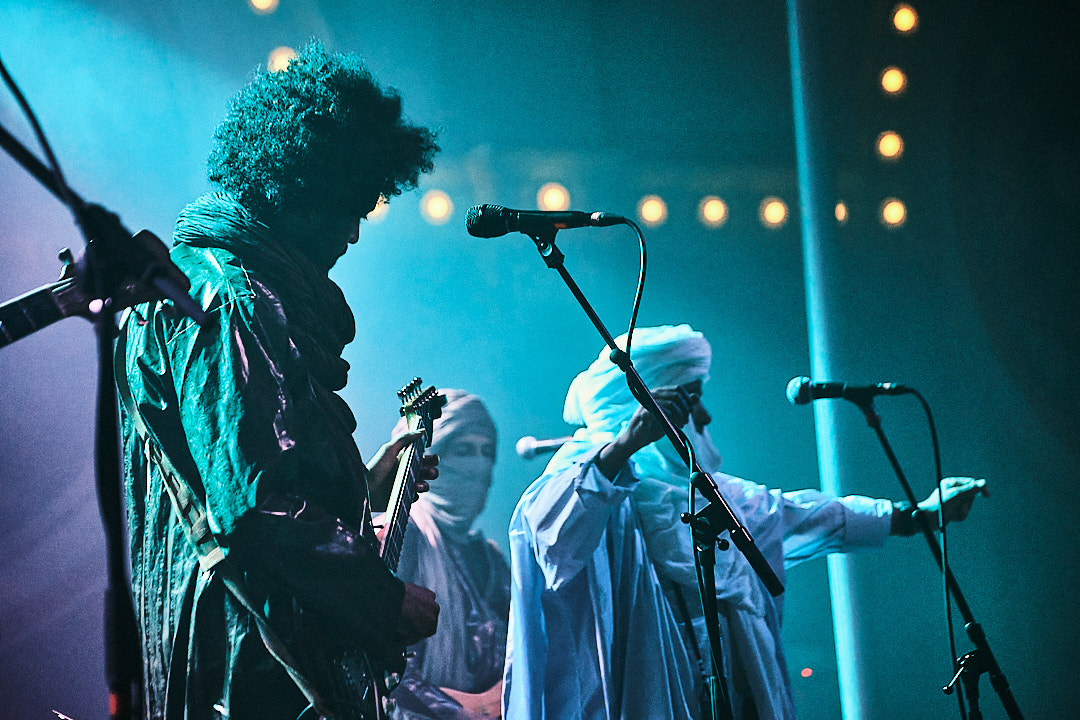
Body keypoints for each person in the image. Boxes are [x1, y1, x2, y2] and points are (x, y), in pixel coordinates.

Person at [116, 42, 441, 720]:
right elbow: (256, 507)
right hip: (255, 672)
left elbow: (238, 468)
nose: (354, 232)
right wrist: (381, 600)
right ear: (289, 186)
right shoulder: (232, 299)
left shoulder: (191, 285)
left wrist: (365, 479)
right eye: (344, 205)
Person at [502, 324, 988, 720]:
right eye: (691, 398)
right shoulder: (583, 479)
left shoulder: (716, 496)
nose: (705, 414)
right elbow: (551, 537)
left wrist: (917, 515)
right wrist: (625, 446)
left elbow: (809, 516)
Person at [384, 390, 511, 720]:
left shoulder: (490, 560)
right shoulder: (401, 533)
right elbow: (378, 669)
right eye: (464, 450)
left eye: (488, 453)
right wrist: (467, 710)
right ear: (431, 458)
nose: (479, 465)